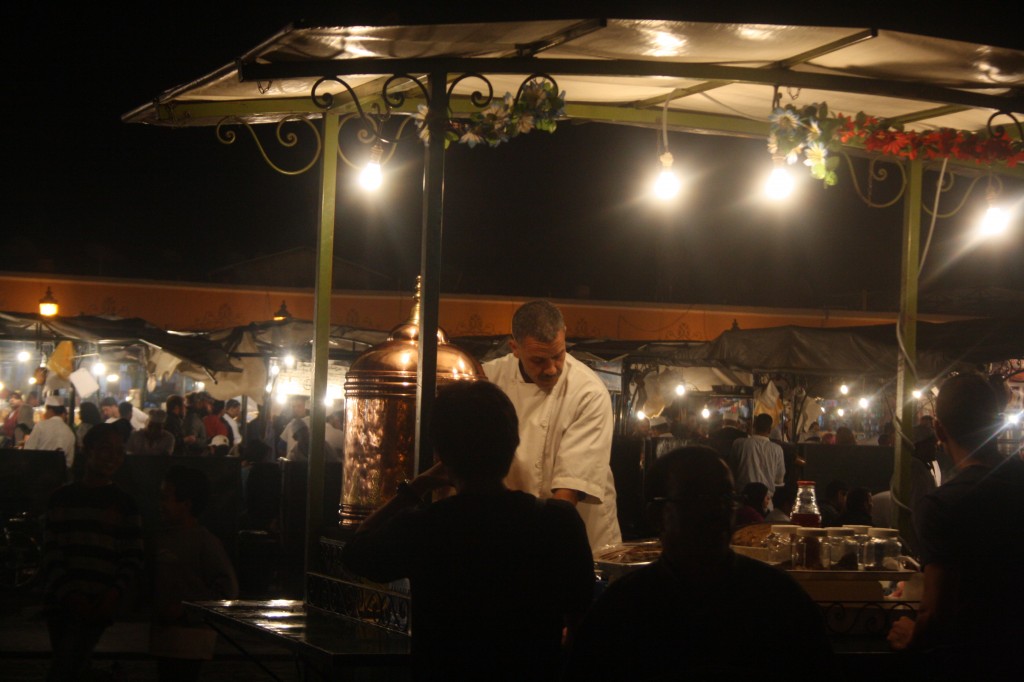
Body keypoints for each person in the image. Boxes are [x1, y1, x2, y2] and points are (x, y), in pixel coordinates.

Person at [342, 381, 594, 681]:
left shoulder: (425, 526)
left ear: (441, 453)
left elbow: (355, 552)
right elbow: (580, 618)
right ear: (514, 442)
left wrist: (416, 487)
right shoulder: (557, 522)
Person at [563, 446, 832, 680]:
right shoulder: (621, 613)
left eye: (726, 499)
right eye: (699, 499)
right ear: (657, 514)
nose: (718, 511)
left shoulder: (780, 601)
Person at [888, 372, 1023, 678]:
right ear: (997, 421)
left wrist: (913, 631)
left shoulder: (942, 506)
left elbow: (937, 614)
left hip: (972, 660)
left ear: (938, 429)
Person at [483, 300, 621, 552]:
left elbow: (568, 494)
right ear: (514, 347)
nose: (551, 369)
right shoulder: (488, 379)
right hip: (513, 533)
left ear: (565, 336)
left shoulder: (588, 392)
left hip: (577, 538)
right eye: (538, 360)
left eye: (558, 355)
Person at [40, 423, 144, 682]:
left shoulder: (126, 504)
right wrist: (70, 593)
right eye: (106, 449)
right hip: (64, 603)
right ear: (88, 451)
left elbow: (133, 555)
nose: (113, 457)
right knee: (70, 662)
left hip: (100, 601)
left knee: (67, 664)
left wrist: (113, 594)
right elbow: (51, 551)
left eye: (119, 451)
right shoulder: (61, 498)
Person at [149, 465, 238, 682]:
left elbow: (228, 591)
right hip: (168, 635)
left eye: (165, 498)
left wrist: (185, 610)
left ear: (186, 504)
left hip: (190, 638)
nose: (160, 504)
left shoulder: (204, 542)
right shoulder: (165, 537)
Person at [733, 413, 786, 500]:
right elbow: (779, 479)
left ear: (754, 426)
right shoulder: (777, 449)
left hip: (744, 500)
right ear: (769, 430)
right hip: (766, 501)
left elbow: (733, 470)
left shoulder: (739, 444)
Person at [25, 395, 77, 470]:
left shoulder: (41, 426)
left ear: (50, 410)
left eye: (45, 411)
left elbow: (28, 451)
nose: (44, 414)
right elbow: (69, 462)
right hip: (60, 476)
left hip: (39, 473)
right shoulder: (70, 432)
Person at [279, 395, 310, 461]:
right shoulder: (290, 424)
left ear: (306, 407)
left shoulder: (313, 424)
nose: (296, 409)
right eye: (293, 407)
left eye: (299, 406)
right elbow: (281, 445)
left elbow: (281, 447)